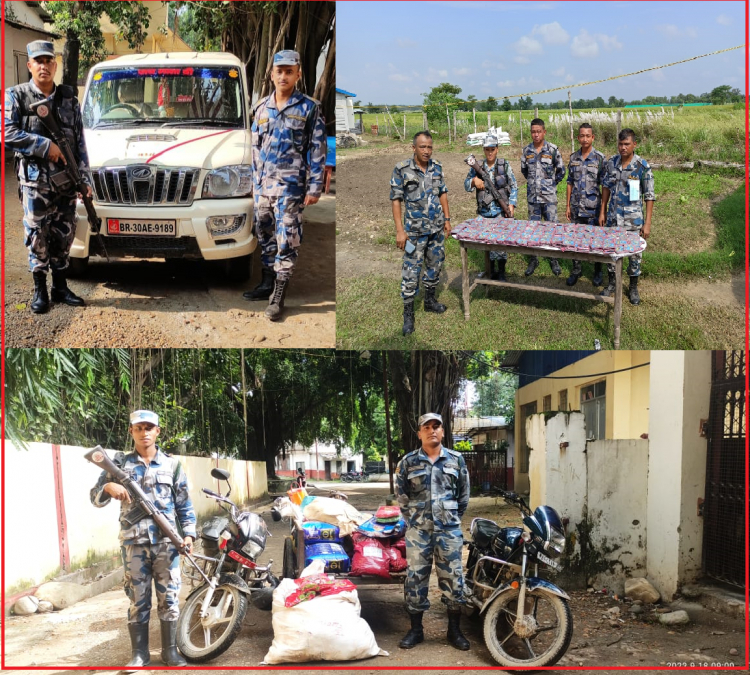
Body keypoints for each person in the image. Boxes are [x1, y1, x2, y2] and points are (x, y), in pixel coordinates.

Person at [90, 410, 196, 669]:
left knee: (169, 597)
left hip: (167, 544)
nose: (144, 432)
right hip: (134, 544)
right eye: (139, 428)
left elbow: (184, 504)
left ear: (158, 431)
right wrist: (107, 487)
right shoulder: (118, 464)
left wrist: (190, 534)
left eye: (150, 427)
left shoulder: (173, 465)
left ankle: (170, 653)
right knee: (137, 599)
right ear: (131, 432)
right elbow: (94, 498)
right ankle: (140, 655)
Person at [4, 40, 91, 314]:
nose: (44, 66)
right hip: (35, 184)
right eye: (38, 61)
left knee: (63, 234)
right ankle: (40, 290)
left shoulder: (69, 99)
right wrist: (45, 147)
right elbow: (7, 132)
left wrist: (84, 180)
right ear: (29, 65)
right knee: (37, 235)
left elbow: (80, 144)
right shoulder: (16, 97)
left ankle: (61, 287)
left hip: (65, 184)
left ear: (55, 64)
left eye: (48, 61)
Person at [243, 50, 327, 321]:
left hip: (290, 189)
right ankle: (267, 282)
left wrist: (314, 187)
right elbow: (254, 149)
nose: (283, 75)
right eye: (279, 70)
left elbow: (317, 149)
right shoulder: (260, 108)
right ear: (271, 74)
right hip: (263, 188)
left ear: (298, 74)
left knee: (287, 240)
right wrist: (254, 184)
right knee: (265, 237)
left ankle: (278, 295)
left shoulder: (309, 108)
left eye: (289, 71)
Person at [395, 412, 470, 651]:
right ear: (419, 433)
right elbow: (402, 497)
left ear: (443, 431)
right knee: (415, 579)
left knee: (454, 580)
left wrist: (450, 519)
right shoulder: (407, 462)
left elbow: (463, 497)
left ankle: (454, 631)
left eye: (436, 426)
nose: (432, 430)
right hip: (419, 533)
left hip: (449, 532)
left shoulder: (456, 460)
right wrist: (416, 521)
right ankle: (416, 630)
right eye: (426, 427)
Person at [390, 131, 451, 336]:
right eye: (423, 147)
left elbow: (442, 192)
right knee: (411, 271)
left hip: (436, 229)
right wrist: (400, 230)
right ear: (414, 147)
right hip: (414, 233)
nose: (427, 151)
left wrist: (448, 219)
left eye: (430, 147)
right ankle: (408, 314)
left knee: (435, 265)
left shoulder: (437, 167)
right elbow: (396, 199)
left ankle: (430, 301)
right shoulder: (402, 170)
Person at [599, 129, 655, 305]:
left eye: (626, 144)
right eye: (620, 144)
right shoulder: (611, 163)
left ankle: (633, 287)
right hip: (613, 218)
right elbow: (606, 187)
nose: (622, 148)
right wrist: (602, 211)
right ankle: (612, 283)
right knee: (611, 251)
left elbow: (649, 196)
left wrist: (647, 223)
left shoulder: (642, 167)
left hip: (633, 220)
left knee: (634, 255)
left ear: (634, 145)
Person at [464, 133, 518, 280]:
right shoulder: (477, 167)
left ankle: (501, 271)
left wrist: (511, 204)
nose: (489, 152)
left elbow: (514, 186)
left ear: (497, 149)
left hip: (500, 211)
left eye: (492, 149)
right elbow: (466, 185)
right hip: (484, 213)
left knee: (500, 243)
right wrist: (474, 181)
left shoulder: (504, 165)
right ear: (483, 150)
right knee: (487, 244)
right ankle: (490, 271)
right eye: (487, 149)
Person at [520, 118, 565, 277]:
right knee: (533, 229)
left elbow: (561, 171)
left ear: (544, 132)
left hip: (549, 199)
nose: (536, 134)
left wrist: (550, 184)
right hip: (533, 198)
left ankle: (553, 259)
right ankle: (534, 258)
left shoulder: (552, 150)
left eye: (539, 131)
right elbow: (524, 171)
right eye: (533, 132)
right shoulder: (526, 151)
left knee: (552, 228)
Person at [565, 123, 606, 287]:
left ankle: (597, 271)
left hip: (593, 209)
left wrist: (603, 210)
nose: (584, 139)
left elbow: (605, 186)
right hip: (576, 207)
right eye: (581, 136)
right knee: (575, 240)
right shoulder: (573, 158)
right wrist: (567, 205)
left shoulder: (600, 158)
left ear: (593, 137)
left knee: (595, 240)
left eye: (588, 136)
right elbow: (569, 182)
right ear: (578, 138)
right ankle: (576, 269)